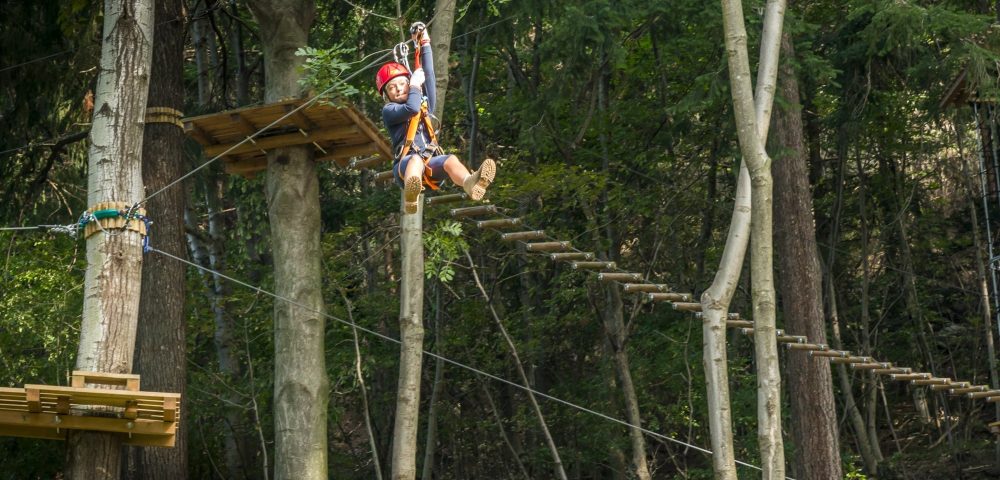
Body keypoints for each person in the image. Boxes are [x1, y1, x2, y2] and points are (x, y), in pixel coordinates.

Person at [375, 22, 496, 214]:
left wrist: (424, 43)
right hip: (405, 167)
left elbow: (429, 75)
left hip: (429, 162)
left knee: (450, 160)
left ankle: (469, 183)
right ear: (386, 95)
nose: (398, 89)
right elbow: (411, 108)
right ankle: (411, 195)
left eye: (402, 83)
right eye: (391, 87)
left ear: (408, 83)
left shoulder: (425, 104)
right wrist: (414, 84)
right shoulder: (389, 110)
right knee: (414, 159)